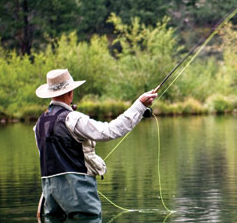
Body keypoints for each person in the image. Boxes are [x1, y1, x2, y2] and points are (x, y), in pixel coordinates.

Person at [34, 69, 157, 220]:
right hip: (79, 194)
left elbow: (46, 156)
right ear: (70, 92)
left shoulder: (39, 123)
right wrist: (139, 106)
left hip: (50, 195)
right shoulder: (73, 119)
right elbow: (109, 131)